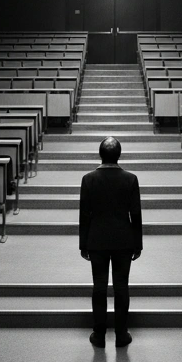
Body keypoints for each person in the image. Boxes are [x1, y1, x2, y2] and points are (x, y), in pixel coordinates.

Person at [79, 136, 143, 348]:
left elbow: (84, 215)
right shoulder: (130, 179)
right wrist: (138, 243)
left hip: (96, 240)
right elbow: (136, 214)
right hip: (124, 240)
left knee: (99, 287)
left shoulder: (88, 179)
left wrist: (83, 244)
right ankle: (121, 334)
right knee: (121, 287)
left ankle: (98, 335)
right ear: (119, 155)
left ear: (100, 154)